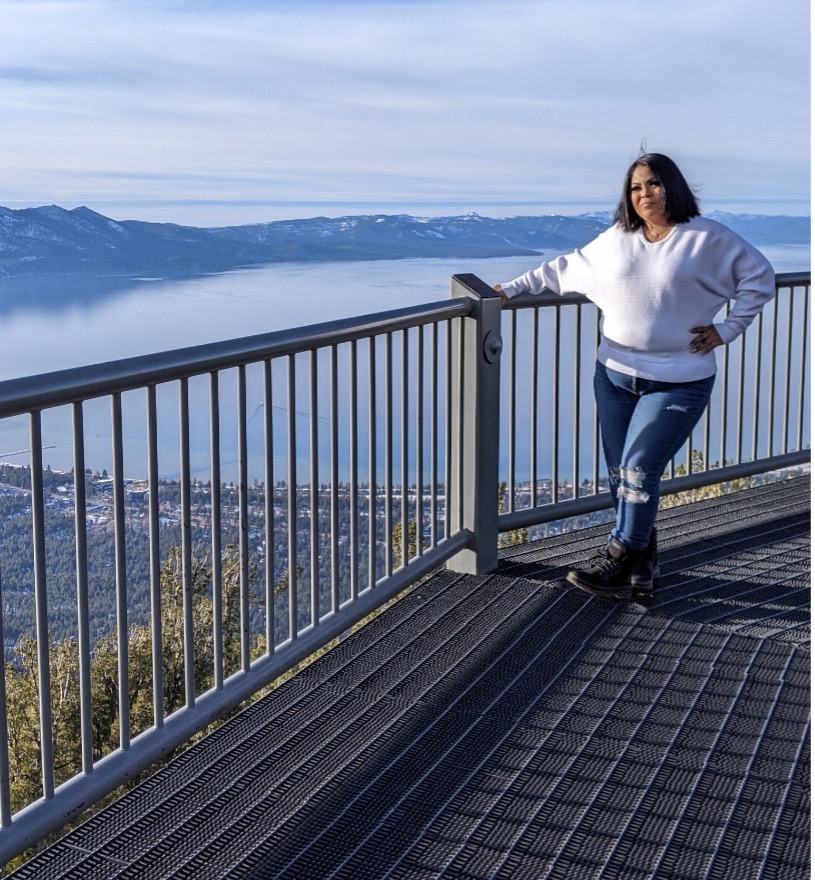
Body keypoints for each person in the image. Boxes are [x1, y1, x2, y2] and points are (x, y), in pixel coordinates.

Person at [493, 152, 776, 601]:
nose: (644, 194)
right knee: (619, 473)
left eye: (654, 184)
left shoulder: (707, 239)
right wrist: (508, 289)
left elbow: (759, 278)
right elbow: (562, 269)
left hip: (679, 377)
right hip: (615, 374)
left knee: (640, 468)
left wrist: (727, 328)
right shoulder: (617, 239)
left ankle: (619, 555)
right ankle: (641, 564)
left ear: (674, 188)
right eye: (636, 187)